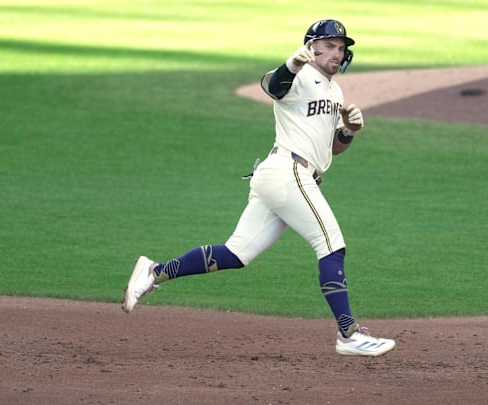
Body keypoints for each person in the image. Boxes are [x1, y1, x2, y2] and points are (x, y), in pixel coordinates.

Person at [122, 19, 395, 357]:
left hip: (283, 175)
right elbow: (273, 86)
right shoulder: (298, 76)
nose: (337, 53)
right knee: (330, 244)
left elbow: (330, 149)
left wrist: (349, 131)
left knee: (236, 253)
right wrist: (293, 63)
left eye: (341, 48)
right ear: (312, 47)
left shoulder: (334, 91)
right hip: (287, 172)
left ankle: (154, 272)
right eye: (330, 45)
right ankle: (348, 334)